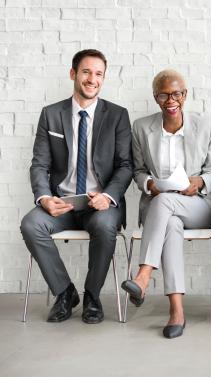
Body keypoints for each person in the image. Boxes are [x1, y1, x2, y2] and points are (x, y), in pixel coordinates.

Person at [20, 49, 132, 324]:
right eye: (86, 72)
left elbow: (126, 165)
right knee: (31, 224)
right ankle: (64, 292)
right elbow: (39, 165)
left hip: (100, 204)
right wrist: (44, 197)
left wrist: (108, 196)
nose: (92, 79)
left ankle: (92, 296)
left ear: (103, 79)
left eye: (98, 74)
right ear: (73, 74)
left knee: (106, 227)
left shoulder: (117, 115)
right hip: (63, 203)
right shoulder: (51, 114)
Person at [120, 70, 211, 338]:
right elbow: (138, 171)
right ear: (156, 98)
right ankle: (177, 311)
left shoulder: (205, 125)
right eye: (164, 94)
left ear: (185, 95)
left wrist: (198, 182)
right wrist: (149, 184)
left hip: (198, 205)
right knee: (171, 225)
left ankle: (142, 276)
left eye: (176, 93)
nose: (170, 100)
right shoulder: (142, 128)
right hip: (161, 209)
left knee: (165, 203)